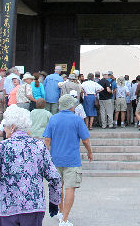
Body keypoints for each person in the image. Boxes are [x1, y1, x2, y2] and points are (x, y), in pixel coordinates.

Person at [0, 105, 62, 226]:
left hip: (7, 207)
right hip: (34, 207)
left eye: (5, 126)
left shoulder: (2, 147)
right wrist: (54, 201)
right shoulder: (39, 146)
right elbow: (55, 177)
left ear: (12, 127)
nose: (4, 129)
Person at [44, 95, 94, 226]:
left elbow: (47, 140)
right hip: (72, 159)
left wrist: (45, 155)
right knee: (70, 188)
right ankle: (65, 219)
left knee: (57, 187)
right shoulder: (77, 120)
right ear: (71, 106)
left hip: (55, 158)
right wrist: (89, 152)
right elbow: (85, 140)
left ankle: (61, 212)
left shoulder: (53, 119)